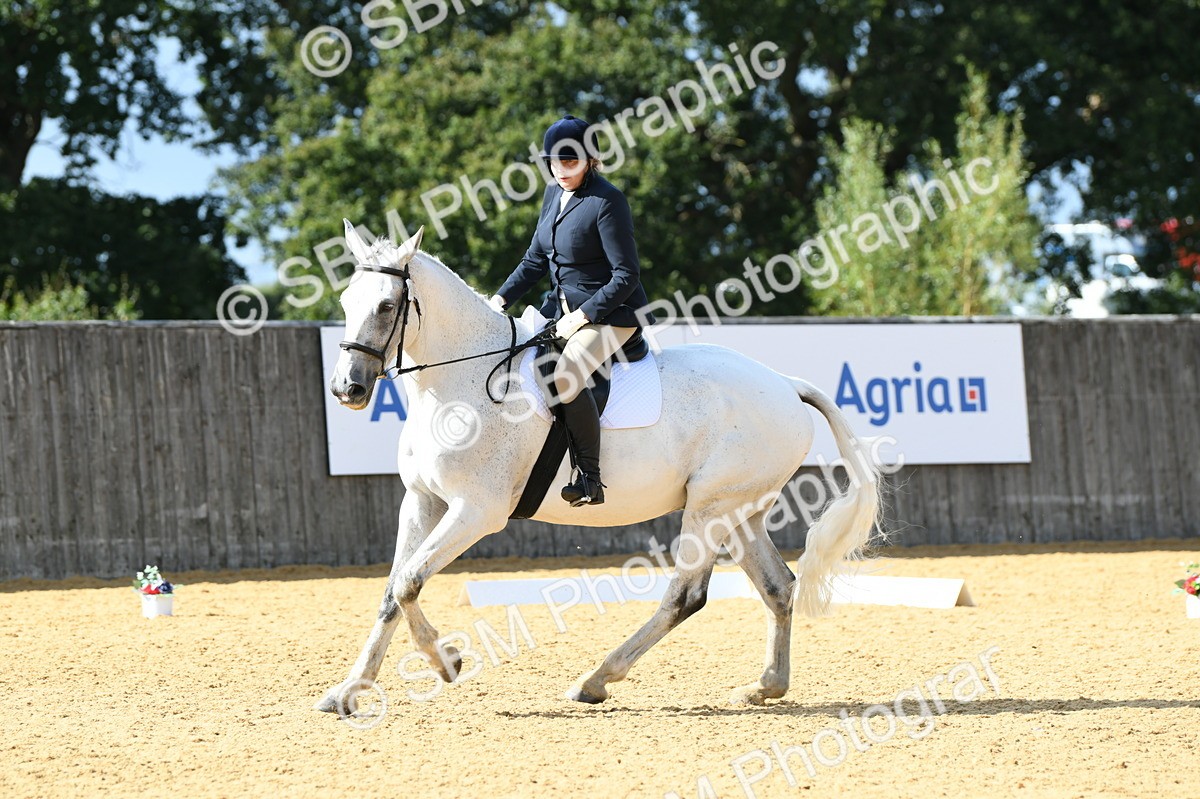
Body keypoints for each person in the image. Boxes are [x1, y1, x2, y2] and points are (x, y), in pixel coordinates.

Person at [490, 114, 657, 507]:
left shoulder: (607, 200)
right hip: (561, 311)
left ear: (590, 160)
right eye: (555, 162)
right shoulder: (554, 193)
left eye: (571, 162)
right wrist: (497, 300)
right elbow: (535, 259)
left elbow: (627, 275)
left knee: (564, 376)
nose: (562, 170)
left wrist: (582, 317)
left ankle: (589, 478)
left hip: (612, 315)